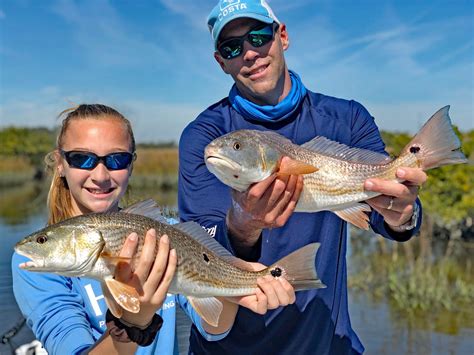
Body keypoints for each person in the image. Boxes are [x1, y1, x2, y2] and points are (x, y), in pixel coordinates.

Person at [178, 1, 427, 354]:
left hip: (327, 341)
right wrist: (242, 225)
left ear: (282, 36)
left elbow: (385, 216)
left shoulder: (347, 118)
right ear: (221, 61)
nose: (249, 53)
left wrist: (404, 215)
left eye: (259, 36)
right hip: (229, 344)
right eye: (231, 47)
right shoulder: (204, 138)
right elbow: (197, 244)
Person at [12, 104, 295, 355]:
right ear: (60, 163)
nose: (100, 175)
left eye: (116, 160)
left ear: (132, 165)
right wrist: (135, 323)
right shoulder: (37, 266)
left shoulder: (167, 231)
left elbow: (215, 327)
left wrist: (237, 284)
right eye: (82, 158)